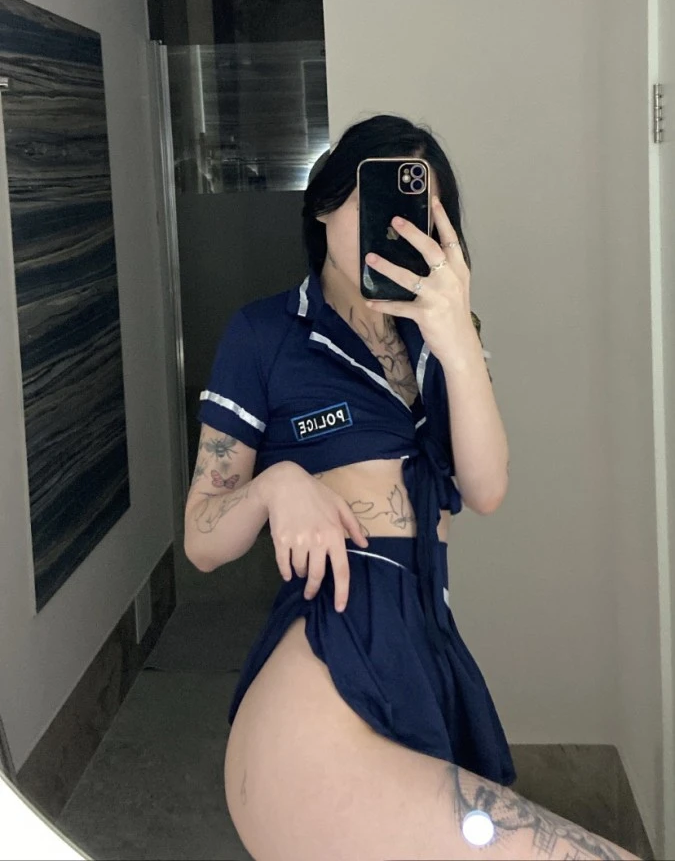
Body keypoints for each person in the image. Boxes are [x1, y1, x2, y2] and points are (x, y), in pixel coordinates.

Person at [184, 115, 639, 861]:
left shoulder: (442, 338)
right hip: (325, 666)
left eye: (417, 211)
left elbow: (485, 488)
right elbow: (202, 540)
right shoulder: (265, 334)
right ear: (324, 203)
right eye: (375, 198)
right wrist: (277, 484)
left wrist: (457, 338)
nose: (394, 224)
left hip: (427, 649)